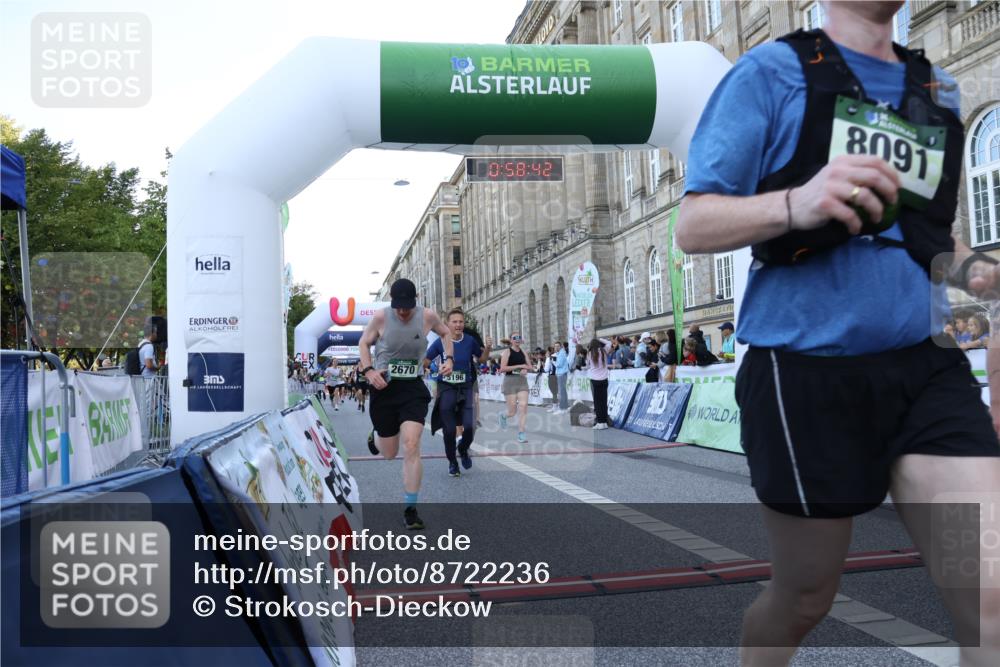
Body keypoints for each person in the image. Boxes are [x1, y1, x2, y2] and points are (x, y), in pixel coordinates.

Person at [676, 3, 1000, 664]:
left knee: (989, 593)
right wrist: (798, 201)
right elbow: (693, 224)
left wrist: (978, 270)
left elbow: (923, 232)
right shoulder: (770, 72)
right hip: (804, 377)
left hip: (926, 376)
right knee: (805, 596)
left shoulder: (938, 88)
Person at [359, 278, 453, 530]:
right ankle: (377, 434)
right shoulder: (380, 318)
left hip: (412, 388)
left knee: (411, 444)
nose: (402, 312)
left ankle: (411, 508)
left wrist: (449, 359)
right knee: (389, 453)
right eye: (398, 306)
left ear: (415, 301)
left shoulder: (428, 316)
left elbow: (446, 333)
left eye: (407, 307)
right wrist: (368, 371)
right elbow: (364, 343)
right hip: (384, 387)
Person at [426, 309, 491, 477]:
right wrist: (435, 368)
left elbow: (482, 359)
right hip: (446, 387)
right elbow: (425, 361)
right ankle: (452, 462)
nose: (458, 325)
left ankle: (462, 449)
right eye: (454, 321)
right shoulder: (440, 342)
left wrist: (488, 348)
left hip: (466, 387)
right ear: (447, 324)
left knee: (469, 427)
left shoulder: (469, 341)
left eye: (461, 321)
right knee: (449, 430)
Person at [498, 332, 532, 443]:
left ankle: (521, 433)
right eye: (515, 338)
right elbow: (502, 368)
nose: (517, 339)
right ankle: (503, 416)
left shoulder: (523, 352)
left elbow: (530, 366)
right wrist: (519, 366)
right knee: (512, 411)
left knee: (523, 406)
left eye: (519, 337)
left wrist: (526, 369)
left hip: (522, 382)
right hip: (510, 382)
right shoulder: (507, 352)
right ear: (511, 340)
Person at [585, 338, 613, 430]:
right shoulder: (604, 351)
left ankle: (600, 422)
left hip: (595, 380)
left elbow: (587, 364)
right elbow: (609, 343)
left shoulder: (589, 354)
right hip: (604, 379)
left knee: (597, 402)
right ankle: (604, 422)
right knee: (604, 401)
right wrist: (600, 339)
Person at [554, 340, 570, 413]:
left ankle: (562, 408)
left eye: (558, 346)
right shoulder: (559, 353)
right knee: (562, 391)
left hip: (562, 374)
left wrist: (553, 362)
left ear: (560, 347)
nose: (556, 347)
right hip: (561, 374)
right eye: (555, 346)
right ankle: (565, 407)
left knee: (561, 392)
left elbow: (558, 365)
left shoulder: (561, 353)